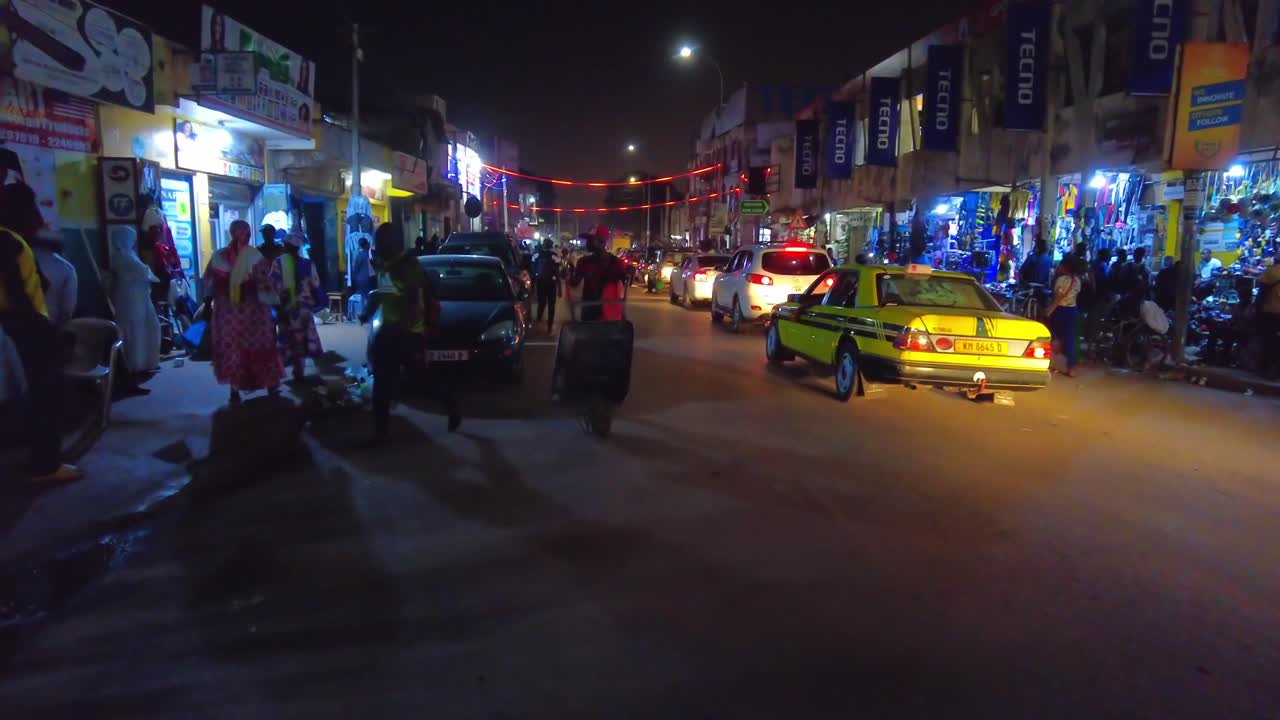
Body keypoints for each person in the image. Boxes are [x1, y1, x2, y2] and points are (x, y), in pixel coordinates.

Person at [0, 182, 82, 482]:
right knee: (46, 393)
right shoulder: (8, 240)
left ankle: (42, 457)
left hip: (20, 321)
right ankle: (45, 464)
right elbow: (18, 289)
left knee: (41, 391)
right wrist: (39, 328)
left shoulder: (11, 238)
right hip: (29, 323)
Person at [363, 222, 460, 439]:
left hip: (406, 333)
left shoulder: (409, 265)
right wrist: (369, 310)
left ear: (394, 242)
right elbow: (383, 292)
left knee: (420, 382)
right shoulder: (385, 265)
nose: (378, 245)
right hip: (388, 332)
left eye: (382, 240)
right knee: (381, 386)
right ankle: (380, 434)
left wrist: (410, 326)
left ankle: (449, 402)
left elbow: (415, 299)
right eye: (378, 241)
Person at [204, 219, 283, 405]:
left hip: (228, 314)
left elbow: (208, 283)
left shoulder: (219, 256)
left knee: (234, 351)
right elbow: (265, 284)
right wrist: (275, 303)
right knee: (261, 347)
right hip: (254, 314)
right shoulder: (254, 256)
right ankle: (271, 385)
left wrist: (208, 305)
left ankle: (234, 391)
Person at [108, 225, 162, 387]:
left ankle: (143, 362)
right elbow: (144, 272)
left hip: (138, 297)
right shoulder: (123, 256)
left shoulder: (127, 255)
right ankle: (136, 363)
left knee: (145, 328)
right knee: (137, 330)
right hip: (132, 299)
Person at [271, 230, 324, 381]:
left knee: (287, 339)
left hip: (285, 308)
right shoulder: (307, 264)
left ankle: (287, 371)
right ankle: (299, 370)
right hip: (304, 308)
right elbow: (315, 284)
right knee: (302, 339)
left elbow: (272, 285)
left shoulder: (278, 263)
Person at [569, 225, 627, 322]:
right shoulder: (616, 262)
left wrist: (569, 273)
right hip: (604, 314)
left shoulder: (584, 262)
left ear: (601, 242)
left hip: (596, 313)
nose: (587, 243)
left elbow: (574, 282)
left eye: (591, 240)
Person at [1045, 257, 1085, 377]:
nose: (1058, 267)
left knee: (1054, 335)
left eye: (1061, 265)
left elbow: (1059, 297)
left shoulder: (1061, 280)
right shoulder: (1077, 280)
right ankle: (1071, 367)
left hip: (1061, 310)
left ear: (1065, 267)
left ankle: (1052, 361)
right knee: (1070, 339)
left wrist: (1050, 310)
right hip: (1073, 310)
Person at [1204, 276, 1256, 366]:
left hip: (1245, 333)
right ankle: (1211, 356)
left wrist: (1231, 324)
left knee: (1226, 334)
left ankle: (1221, 358)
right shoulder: (1239, 305)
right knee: (1215, 330)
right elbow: (1233, 320)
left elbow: (1247, 322)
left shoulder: (1251, 308)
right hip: (1237, 330)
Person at [29, 233, 77, 328]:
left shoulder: (15, 260)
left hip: (11, 330)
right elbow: (67, 311)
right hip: (48, 328)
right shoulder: (66, 268)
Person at [530, 238, 560, 333]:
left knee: (541, 302)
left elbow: (532, 268)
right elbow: (558, 269)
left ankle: (538, 321)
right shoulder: (554, 256)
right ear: (551, 246)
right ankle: (549, 326)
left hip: (540, 282)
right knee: (551, 305)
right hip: (551, 283)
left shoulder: (536, 255)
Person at [1258, 257, 1280, 378]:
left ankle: (1266, 369)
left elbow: (1262, 293)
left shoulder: (1271, 272)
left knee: (1268, 341)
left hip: (1271, 312)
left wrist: (1256, 310)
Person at [351, 236, 374, 306]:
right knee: (371, 298)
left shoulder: (359, 255)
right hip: (371, 279)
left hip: (361, 280)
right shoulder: (372, 253)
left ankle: (363, 313)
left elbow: (355, 269)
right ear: (367, 244)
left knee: (363, 298)